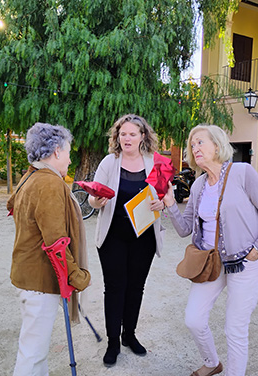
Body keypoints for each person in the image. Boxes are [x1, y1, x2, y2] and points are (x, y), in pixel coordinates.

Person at [162, 124, 258, 376]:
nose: (195, 148)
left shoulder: (242, 173)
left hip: (245, 262)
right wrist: (171, 204)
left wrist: (257, 250)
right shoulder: (198, 185)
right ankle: (211, 362)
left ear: (217, 145)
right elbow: (185, 229)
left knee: (235, 329)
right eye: (192, 144)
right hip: (210, 262)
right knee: (193, 319)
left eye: (200, 143)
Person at [7, 122, 91, 376]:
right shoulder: (49, 184)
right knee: (32, 353)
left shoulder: (30, 176)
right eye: (67, 151)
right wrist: (76, 276)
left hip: (31, 277)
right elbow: (56, 242)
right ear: (56, 151)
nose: (69, 157)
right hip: (40, 281)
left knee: (36, 349)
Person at [89, 114, 165, 367]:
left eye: (132, 134)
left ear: (143, 136)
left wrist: (162, 202)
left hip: (144, 238)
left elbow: (168, 195)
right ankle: (112, 341)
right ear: (117, 137)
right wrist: (96, 201)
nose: (127, 138)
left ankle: (129, 335)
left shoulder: (156, 162)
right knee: (114, 288)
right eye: (123, 134)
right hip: (113, 237)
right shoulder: (109, 163)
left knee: (136, 288)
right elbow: (93, 196)